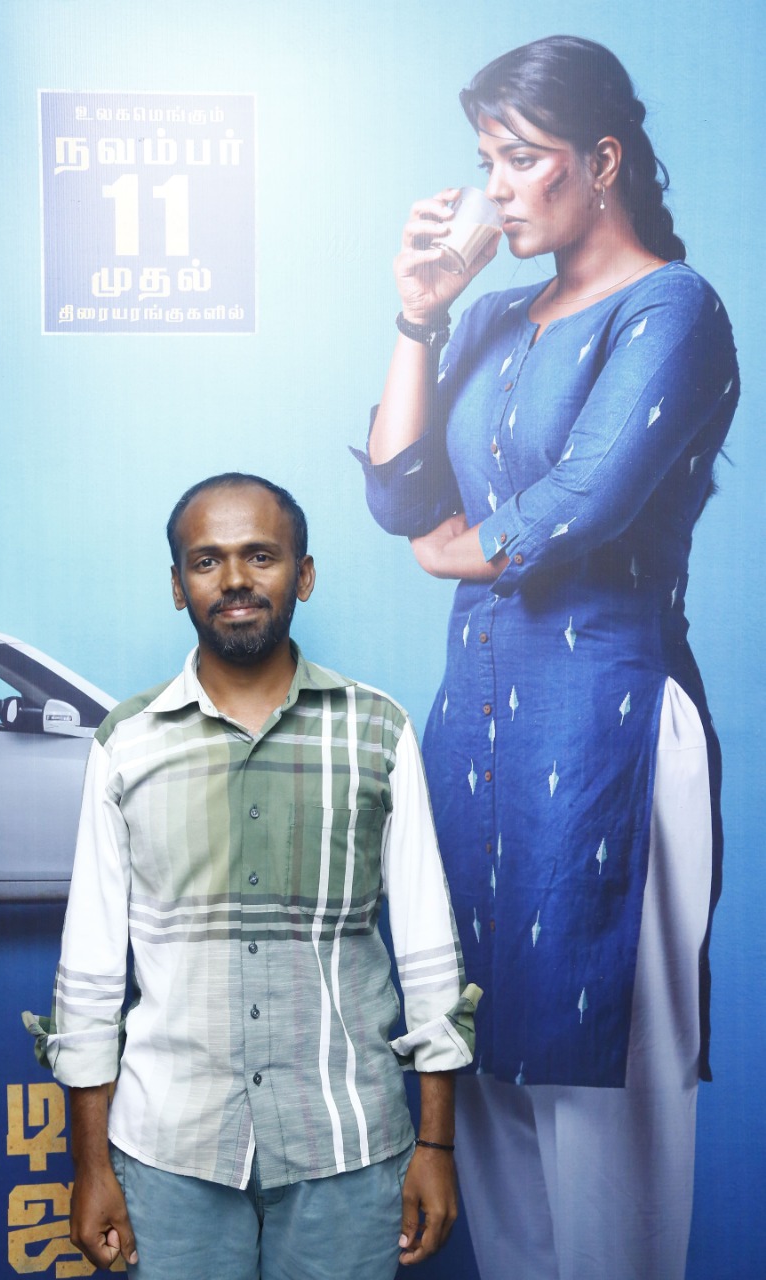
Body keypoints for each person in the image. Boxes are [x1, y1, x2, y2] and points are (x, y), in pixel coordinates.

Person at [354, 35, 739, 1280]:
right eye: (487, 162)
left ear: (603, 161)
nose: (497, 190)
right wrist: (419, 313)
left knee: (601, 1089)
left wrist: (454, 549)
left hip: (606, 728)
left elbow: (581, 501)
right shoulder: (492, 316)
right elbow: (398, 493)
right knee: (489, 1069)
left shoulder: (671, 307)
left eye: (522, 159)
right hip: (478, 736)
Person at [24, 472, 480, 1280]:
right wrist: (90, 1165)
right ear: (178, 586)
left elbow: (427, 960)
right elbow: (90, 975)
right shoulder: (126, 743)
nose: (234, 579)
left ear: (303, 574)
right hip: (169, 1154)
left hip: (348, 1146)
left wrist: (436, 1145)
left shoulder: (378, 730)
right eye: (207, 561)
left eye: (260, 556)